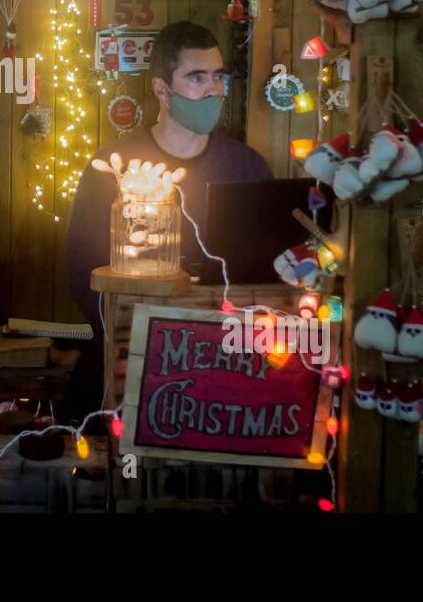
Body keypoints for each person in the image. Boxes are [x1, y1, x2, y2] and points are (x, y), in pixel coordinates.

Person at [63, 21, 272, 417]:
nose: (212, 90)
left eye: (217, 77)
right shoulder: (113, 168)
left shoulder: (247, 167)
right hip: (131, 351)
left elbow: (267, 271)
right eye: (196, 77)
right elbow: (81, 270)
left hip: (223, 359)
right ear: (162, 89)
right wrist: (134, 330)